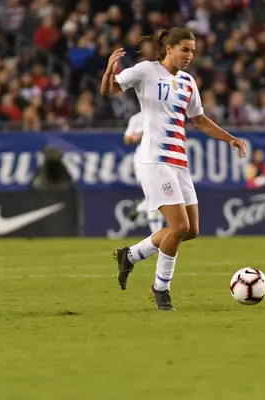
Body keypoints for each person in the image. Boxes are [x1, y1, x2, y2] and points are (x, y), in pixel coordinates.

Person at [101, 27, 247, 311]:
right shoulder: (146, 71)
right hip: (154, 161)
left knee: (191, 230)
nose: (189, 56)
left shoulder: (188, 82)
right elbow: (109, 91)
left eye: (192, 51)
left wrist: (230, 137)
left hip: (179, 163)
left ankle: (129, 255)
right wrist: (108, 72)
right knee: (178, 226)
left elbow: (201, 121)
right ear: (168, 48)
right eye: (184, 50)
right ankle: (161, 289)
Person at [124, 110, 165, 234]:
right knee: (154, 194)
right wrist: (133, 137)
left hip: (162, 157)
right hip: (143, 158)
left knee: (159, 194)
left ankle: (142, 206)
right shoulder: (136, 118)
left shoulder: (164, 113)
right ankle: (158, 238)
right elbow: (127, 138)